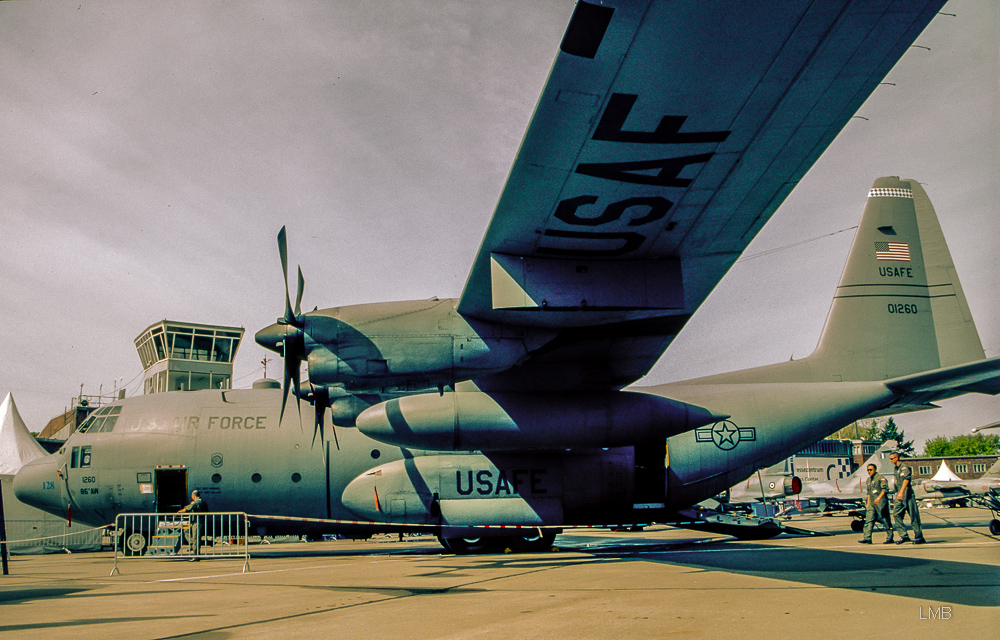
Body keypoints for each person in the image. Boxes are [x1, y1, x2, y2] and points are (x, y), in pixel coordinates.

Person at [889, 452, 925, 544]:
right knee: (896, 514)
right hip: (899, 495)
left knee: (913, 516)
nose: (890, 460)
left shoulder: (904, 467)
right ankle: (904, 535)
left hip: (907, 494)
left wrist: (901, 492)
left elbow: (906, 480)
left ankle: (919, 537)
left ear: (897, 458)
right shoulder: (895, 468)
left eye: (892, 458)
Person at [859, 463, 893, 544]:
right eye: (868, 470)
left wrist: (879, 498)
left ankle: (890, 537)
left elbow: (885, 490)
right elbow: (869, 492)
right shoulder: (868, 480)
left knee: (885, 520)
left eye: (871, 470)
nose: (869, 471)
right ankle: (867, 538)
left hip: (880, 501)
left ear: (875, 470)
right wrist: (868, 503)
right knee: (869, 520)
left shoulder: (881, 478)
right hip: (872, 502)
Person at [178, 490, 209, 557]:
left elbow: (188, 509)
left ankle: (196, 556)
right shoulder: (202, 502)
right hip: (198, 521)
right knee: (186, 530)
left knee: (195, 539)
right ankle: (192, 545)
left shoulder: (197, 502)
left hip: (197, 522)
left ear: (193, 496)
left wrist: (179, 512)